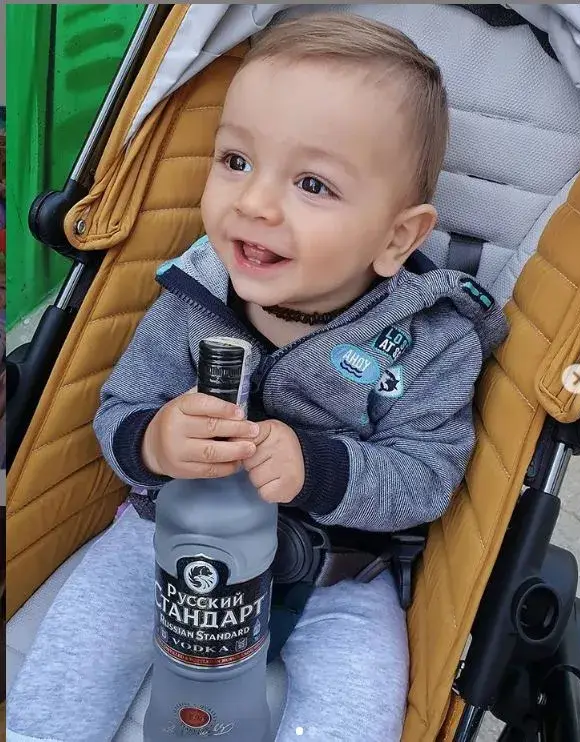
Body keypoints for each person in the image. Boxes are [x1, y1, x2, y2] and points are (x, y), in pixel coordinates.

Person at [7, 13, 508, 742]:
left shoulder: (429, 341)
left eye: (312, 183)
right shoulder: (191, 298)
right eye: (235, 160)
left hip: (337, 575)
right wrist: (155, 441)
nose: (253, 203)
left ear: (397, 235)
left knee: (357, 704)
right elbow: (119, 410)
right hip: (169, 535)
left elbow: (428, 477)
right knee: (80, 641)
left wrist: (320, 469)